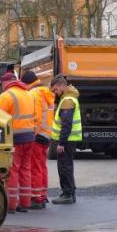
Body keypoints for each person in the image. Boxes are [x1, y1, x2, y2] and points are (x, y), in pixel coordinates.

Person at [0, 72, 37, 213]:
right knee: (25, 169)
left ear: (5, 83)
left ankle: (12, 204)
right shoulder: (29, 94)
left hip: (15, 138)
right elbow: (36, 117)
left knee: (13, 170)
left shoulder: (6, 96)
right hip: (30, 137)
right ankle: (25, 203)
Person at [21, 71, 54, 209]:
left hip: (38, 134)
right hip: (47, 134)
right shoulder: (46, 91)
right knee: (42, 167)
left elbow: (37, 116)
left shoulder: (34, 93)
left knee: (35, 167)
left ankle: (36, 197)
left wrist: (33, 132)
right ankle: (42, 194)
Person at [50, 75, 81, 204]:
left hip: (66, 141)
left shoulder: (67, 101)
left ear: (62, 86)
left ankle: (67, 194)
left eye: (55, 90)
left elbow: (66, 124)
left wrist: (61, 142)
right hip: (70, 139)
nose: (55, 93)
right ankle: (70, 192)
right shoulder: (69, 98)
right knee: (67, 165)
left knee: (64, 167)